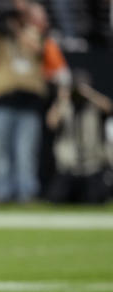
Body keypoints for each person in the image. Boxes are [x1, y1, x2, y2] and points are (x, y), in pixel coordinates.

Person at [0, 1, 47, 203]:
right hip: (2, 101)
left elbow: (38, 50)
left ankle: (27, 194)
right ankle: (2, 194)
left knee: (26, 153)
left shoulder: (32, 32)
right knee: (1, 154)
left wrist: (16, 29)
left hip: (29, 102)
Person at [46, 69, 113, 203]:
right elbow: (51, 122)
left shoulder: (94, 107)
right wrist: (62, 99)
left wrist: (89, 93)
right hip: (69, 168)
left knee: (95, 199)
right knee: (57, 198)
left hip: (91, 167)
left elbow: (108, 107)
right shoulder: (64, 106)